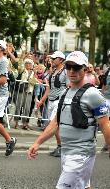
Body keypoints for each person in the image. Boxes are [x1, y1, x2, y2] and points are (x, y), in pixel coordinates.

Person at [28, 51, 110, 189]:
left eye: (76, 67)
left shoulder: (93, 95)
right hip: (66, 153)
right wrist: (37, 143)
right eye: (68, 67)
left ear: (84, 68)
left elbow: (105, 124)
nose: (71, 71)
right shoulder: (66, 92)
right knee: (82, 186)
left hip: (81, 154)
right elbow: (55, 122)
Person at [37, 51, 68, 157]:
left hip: (60, 101)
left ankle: (61, 147)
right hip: (51, 101)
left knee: (53, 124)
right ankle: (60, 146)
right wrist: (41, 101)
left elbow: (69, 87)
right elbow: (49, 88)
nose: (52, 60)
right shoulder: (54, 71)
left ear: (61, 60)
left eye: (54, 59)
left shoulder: (66, 72)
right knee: (56, 127)